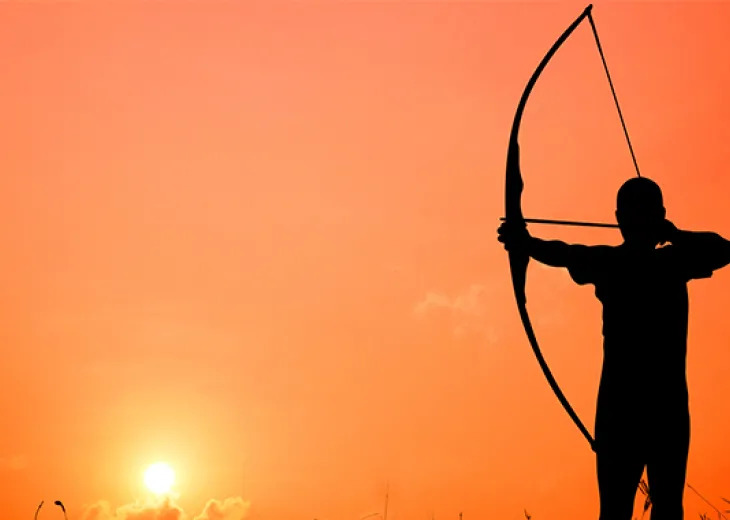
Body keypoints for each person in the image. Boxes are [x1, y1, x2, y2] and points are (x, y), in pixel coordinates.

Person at [498, 176, 730, 520]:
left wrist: (525, 242)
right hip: (641, 408)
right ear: (621, 217)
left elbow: (724, 250)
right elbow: (562, 252)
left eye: (645, 212)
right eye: (634, 212)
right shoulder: (650, 262)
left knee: (656, 508)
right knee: (629, 509)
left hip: (643, 408)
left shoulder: (664, 262)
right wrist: (525, 242)